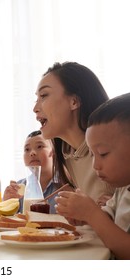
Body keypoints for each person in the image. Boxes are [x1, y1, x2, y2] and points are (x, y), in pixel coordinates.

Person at [55, 92, 130, 260]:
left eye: (103, 154)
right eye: (93, 155)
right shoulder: (123, 188)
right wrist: (84, 216)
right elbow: (109, 218)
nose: (95, 165)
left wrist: (92, 214)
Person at [33, 62, 115, 206]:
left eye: (44, 95)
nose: (35, 108)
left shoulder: (116, 144)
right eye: (36, 99)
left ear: (74, 101)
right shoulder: (67, 154)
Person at [3, 130, 68, 214]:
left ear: (53, 152)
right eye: (27, 149)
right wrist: (6, 203)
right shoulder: (18, 189)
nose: (32, 153)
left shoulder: (66, 185)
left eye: (39, 146)